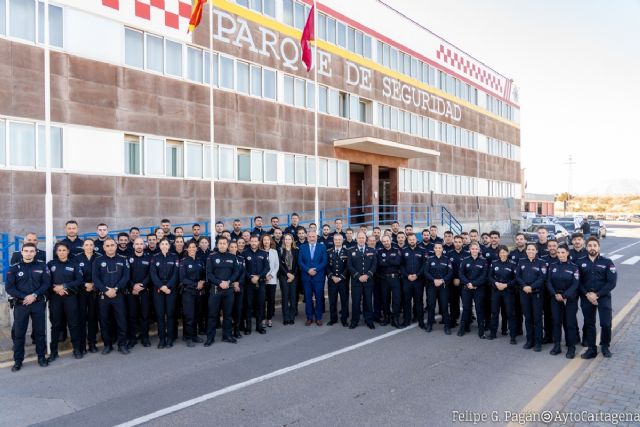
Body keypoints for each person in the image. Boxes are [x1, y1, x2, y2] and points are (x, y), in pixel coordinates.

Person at [6, 243, 50, 371]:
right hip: (21, 305)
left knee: (40, 332)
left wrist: (34, 295)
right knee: (19, 333)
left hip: (37, 303)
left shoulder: (42, 266)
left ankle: (41, 357)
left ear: (35, 252)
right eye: (26, 251)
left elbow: (46, 283)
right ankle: (18, 361)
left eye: (31, 251)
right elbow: (9, 287)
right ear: (21, 252)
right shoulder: (14, 268)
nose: (29, 253)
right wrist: (25, 296)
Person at [579, 237, 617, 359]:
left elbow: (612, 282)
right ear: (586, 247)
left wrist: (598, 295)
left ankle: (605, 346)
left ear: (599, 247)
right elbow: (577, 282)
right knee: (589, 323)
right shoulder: (580, 262)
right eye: (590, 245)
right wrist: (587, 294)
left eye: (595, 245)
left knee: (606, 323)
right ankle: (591, 349)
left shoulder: (607, 262)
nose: (592, 247)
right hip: (586, 297)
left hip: (603, 297)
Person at [92, 238, 130, 355]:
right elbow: (95, 278)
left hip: (118, 295)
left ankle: (122, 344)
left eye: (112, 245)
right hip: (104, 295)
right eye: (107, 246)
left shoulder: (123, 260)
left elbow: (126, 277)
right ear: (103, 247)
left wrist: (116, 289)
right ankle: (107, 345)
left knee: (121, 320)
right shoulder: (97, 261)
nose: (110, 247)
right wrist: (105, 290)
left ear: (116, 246)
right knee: (104, 321)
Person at [47, 243, 84, 361]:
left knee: (73, 324)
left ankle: (77, 349)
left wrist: (64, 286)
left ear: (68, 251)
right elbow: (46, 281)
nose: (62, 252)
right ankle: (53, 352)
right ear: (56, 252)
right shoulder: (51, 264)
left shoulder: (74, 264)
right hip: (55, 298)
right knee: (56, 324)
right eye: (59, 250)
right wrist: (55, 288)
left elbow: (79, 280)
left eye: (64, 250)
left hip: (70, 298)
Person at [547, 244, 580, 358]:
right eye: (558, 253)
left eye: (562, 252)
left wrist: (565, 295)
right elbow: (548, 282)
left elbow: (576, 284)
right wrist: (555, 294)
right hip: (556, 298)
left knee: (569, 323)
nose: (560, 255)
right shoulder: (552, 266)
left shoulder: (574, 267)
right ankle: (557, 346)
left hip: (570, 299)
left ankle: (571, 347)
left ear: (567, 253)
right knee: (556, 322)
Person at [206, 237, 240, 345]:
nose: (222, 245)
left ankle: (227, 336)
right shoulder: (212, 257)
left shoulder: (233, 257)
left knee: (228, 315)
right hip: (215, 290)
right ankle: (210, 338)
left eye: (224, 243)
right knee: (212, 315)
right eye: (220, 243)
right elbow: (209, 274)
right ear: (217, 244)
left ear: (227, 245)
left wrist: (229, 282)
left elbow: (236, 272)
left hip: (228, 291)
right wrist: (219, 282)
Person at [516, 243, 547, 351]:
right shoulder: (521, 261)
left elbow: (542, 278)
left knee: (537, 318)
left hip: (536, 293)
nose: (530, 251)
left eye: (533, 249)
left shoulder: (542, 263)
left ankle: (538, 342)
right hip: (524, 292)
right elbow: (518, 276)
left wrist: (531, 287)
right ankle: (530, 340)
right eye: (528, 249)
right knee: (528, 318)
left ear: (536, 251)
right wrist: (524, 286)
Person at [150, 238, 179, 349]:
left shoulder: (174, 257)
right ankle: (162, 339)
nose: (165, 245)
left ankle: (170, 338)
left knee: (171, 315)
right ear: (159, 245)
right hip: (158, 289)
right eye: (162, 243)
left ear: (169, 245)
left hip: (171, 289)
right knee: (160, 315)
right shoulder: (154, 257)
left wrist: (168, 287)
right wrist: (162, 287)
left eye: (166, 243)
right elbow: (153, 274)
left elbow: (176, 275)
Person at [347, 231, 377, 329]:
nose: (361, 239)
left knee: (368, 301)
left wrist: (367, 275)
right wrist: (358, 276)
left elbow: (374, 265)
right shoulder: (351, 250)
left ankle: (369, 320)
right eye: (359, 238)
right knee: (355, 302)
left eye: (363, 238)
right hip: (356, 281)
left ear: (366, 239)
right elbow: (349, 266)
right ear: (356, 239)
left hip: (368, 281)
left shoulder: (371, 250)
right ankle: (354, 321)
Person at [458, 242, 488, 338]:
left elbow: (484, 275)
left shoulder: (484, 261)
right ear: (470, 250)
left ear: (479, 250)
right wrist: (468, 283)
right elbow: (461, 274)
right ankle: (462, 328)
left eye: (476, 249)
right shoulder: (465, 260)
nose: (474, 250)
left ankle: (481, 331)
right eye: (473, 249)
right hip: (467, 288)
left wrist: (474, 284)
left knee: (479, 309)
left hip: (479, 288)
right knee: (466, 308)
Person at [298, 230, 328, 326]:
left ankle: (318, 318)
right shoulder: (302, 247)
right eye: (310, 236)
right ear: (307, 237)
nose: (312, 238)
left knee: (319, 298)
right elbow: (300, 261)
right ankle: (309, 318)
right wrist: (308, 270)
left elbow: (324, 261)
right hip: (306, 277)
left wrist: (315, 269)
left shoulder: (322, 247)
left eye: (313, 236)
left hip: (318, 277)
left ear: (316, 237)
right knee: (308, 298)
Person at [488, 246, 517, 344]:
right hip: (496, 290)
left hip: (508, 291)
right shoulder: (494, 263)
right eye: (501, 252)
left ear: (507, 253)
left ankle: (513, 336)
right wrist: (496, 283)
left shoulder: (513, 264)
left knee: (510, 314)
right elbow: (490, 276)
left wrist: (506, 285)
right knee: (495, 313)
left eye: (504, 252)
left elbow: (516, 278)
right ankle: (493, 333)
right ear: (498, 254)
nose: (503, 254)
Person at [126, 237, 152, 349]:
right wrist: (133, 286)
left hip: (144, 290)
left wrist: (141, 286)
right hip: (131, 291)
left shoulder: (149, 258)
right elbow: (126, 275)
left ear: (144, 245)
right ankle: (132, 338)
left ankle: (145, 337)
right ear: (133, 245)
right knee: (132, 316)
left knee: (145, 315)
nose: (139, 246)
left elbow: (150, 274)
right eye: (137, 244)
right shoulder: (128, 258)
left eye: (141, 244)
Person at [76, 239, 100, 353]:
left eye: (91, 245)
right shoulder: (77, 258)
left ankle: (92, 343)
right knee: (81, 318)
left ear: (94, 246)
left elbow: (102, 274)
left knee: (92, 318)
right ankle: (82, 345)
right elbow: (75, 275)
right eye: (86, 245)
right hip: (81, 291)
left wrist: (94, 284)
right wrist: (85, 284)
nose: (89, 247)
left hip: (95, 291)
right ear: (83, 246)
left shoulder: (99, 257)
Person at [180, 241, 205, 347]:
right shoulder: (183, 261)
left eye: (194, 247)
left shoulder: (200, 261)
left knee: (196, 315)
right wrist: (196, 284)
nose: (192, 249)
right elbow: (182, 278)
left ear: (196, 248)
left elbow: (204, 274)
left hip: (198, 292)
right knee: (189, 315)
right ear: (187, 249)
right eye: (190, 247)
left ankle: (194, 335)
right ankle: (188, 337)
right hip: (188, 292)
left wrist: (202, 281)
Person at [424, 242, 453, 334]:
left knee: (444, 306)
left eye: (439, 247)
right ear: (434, 249)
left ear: (442, 249)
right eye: (436, 247)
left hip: (443, 286)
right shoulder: (429, 259)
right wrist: (434, 280)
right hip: (432, 285)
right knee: (431, 305)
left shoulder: (447, 260)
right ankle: (429, 324)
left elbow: (450, 273)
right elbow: (426, 272)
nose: (438, 249)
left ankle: (447, 326)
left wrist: (442, 280)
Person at [243, 235, 270, 335]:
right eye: (252, 241)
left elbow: (267, 267)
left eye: (255, 241)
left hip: (261, 283)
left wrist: (258, 276)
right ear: (249, 242)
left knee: (260, 305)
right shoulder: (245, 253)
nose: (254, 243)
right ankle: (248, 327)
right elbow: (243, 269)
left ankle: (259, 327)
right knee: (249, 305)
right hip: (249, 284)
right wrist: (251, 277)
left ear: (258, 242)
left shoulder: (263, 253)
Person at [400, 233, 426, 329]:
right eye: (410, 239)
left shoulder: (422, 250)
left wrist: (417, 275)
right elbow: (401, 265)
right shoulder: (403, 250)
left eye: (413, 239)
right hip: (407, 280)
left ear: (416, 240)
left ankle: (421, 321)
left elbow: (424, 265)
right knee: (407, 301)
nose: (412, 241)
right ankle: (407, 320)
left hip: (418, 280)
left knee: (418, 301)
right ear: (408, 240)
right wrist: (407, 276)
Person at [377, 235, 402, 327]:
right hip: (384, 279)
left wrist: (386, 260)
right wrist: (391, 260)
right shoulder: (380, 251)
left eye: (387, 241)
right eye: (384, 241)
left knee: (396, 299)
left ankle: (395, 319)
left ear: (390, 240)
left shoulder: (397, 250)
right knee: (385, 299)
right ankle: (387, 318)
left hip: (395, 278)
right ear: (382, 242)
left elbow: (398, 262)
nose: (386, 243)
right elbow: (380, 263)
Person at [326, 233, 349, 327]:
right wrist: (332, 276)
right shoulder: (329, 251)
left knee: (344, 301)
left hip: (343, 281)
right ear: (333, 241)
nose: (337, 241)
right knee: (332, 301)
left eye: (339, 240)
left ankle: (344, 319)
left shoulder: (347, 252)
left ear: (342, 240)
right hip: (332, 281)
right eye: (335, 240)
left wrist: (341, 277)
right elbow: (326, 266)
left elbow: (348, 266)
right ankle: (333, 319)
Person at [278, 233, 299, 325]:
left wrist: (293, 275)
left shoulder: (296, 250)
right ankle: (286, 317)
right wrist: (287, 274)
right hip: (284, 276)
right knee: (285, 297)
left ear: (292, 240)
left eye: (289, 239)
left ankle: (292, 316)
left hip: (294, 276)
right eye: (286, 239)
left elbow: (298, 265)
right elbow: (279, 264)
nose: (287, 241)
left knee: (293, 297)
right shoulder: (280, 250)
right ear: (284, 240)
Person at [261, 234, 280, 328]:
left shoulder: (274, 251)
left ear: (270, 241)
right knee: (262, 300)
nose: (266, 241)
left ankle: (269, 318)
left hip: (272, 280)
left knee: (271, 300)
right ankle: (263, 318)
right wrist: (264, 276)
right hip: (262, 279)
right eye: (264, 240)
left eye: (267, 240)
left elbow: (277, 265)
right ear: (262, 241)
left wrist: (271, 275)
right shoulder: (260, 252)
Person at [229, 240, 246, 337]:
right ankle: (229, 330)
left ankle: (237, 329)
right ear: (228, 248)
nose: (233, 248)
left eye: (235, 247)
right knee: (229, 309)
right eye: (231, 247)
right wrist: (232, 283)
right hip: (229, 287)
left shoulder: (241, 258)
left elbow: (243, 272)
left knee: (238, 308)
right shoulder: (226, 258)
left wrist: (238, 283)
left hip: (239, 287)